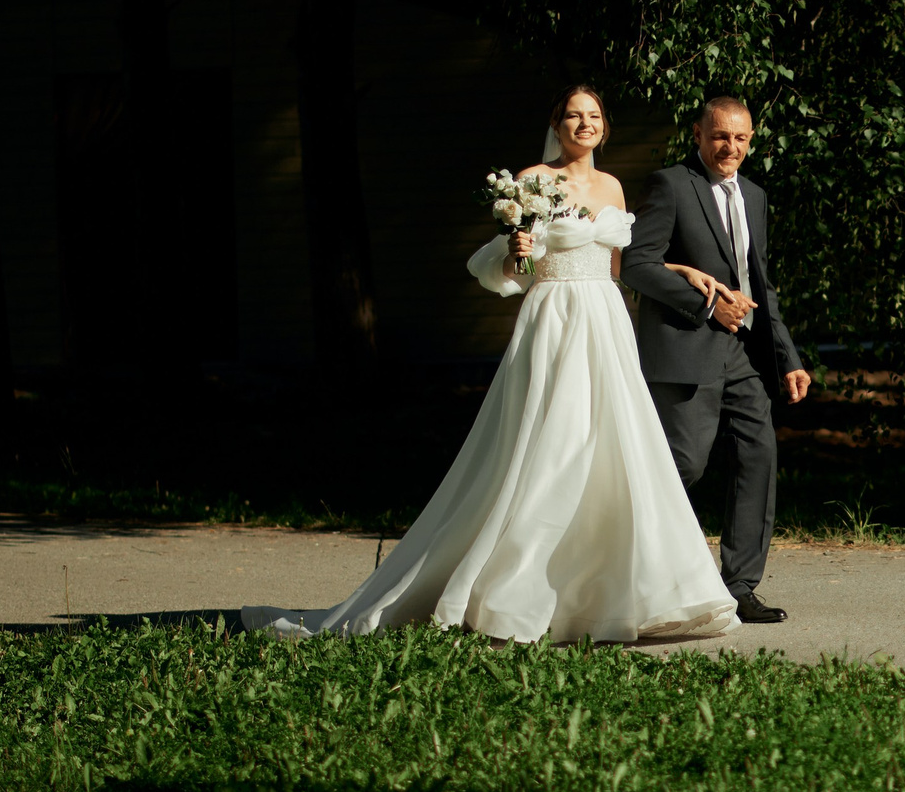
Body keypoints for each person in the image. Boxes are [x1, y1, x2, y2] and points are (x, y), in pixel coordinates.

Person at [242, 86, 741, 646]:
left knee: (611, 446)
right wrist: (517, 249)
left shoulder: (613, 186)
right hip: (555, 317)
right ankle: (510, 594)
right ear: (557, 124)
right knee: (549, 445)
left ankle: (609, 593)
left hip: (606, 319)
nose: (585, 124)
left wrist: (684, 271)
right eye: (574, 116)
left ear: (605, 127)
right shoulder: (533, 179)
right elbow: (514, 267)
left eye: (594, 116)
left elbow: (624, 263)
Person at [623, 95, 812, 624]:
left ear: (751, 141)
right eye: (720, 136)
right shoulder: (670, 185)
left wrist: (788, 357)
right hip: (685, 348)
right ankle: (635, 573)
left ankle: (739, 587)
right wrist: (707, 300)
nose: (731, 147)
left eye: (741, 138)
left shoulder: (754, 195)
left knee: (759, 456)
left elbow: (759, 285)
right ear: (699, 135)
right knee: (683, 466)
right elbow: (637, 265)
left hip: (744, 353)